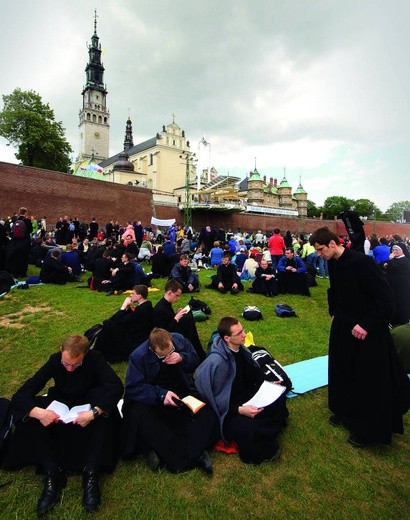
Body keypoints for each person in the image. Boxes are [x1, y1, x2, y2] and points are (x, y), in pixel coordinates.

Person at [310, 227, 410, 448]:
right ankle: (344, 412)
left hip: (368, 329)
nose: (318, 254)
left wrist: (365, 324)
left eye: (320, 250)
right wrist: (334, 312)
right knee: (342, 370)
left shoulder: (362, 263)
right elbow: (334, 290)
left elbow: (386, 300)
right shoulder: (334, 263)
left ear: (333, 244)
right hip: (344, 326)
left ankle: (369, 432)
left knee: (368, 378)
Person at [2, 334, 124, 515]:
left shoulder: (95, 359)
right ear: (61, 352)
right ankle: (53, 473)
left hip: (88, 403)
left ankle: (91, 472)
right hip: (62, 404)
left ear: (85, 354)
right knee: (31, 415)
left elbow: (115, 387)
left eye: (75, 365)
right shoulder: (55, 361)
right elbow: (23, 393)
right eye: (66, 364)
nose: (69, 369)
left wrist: (93, 413)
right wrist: (39, 413)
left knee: (107, 414)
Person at [121, 328, 218, 474]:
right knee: (147, 421)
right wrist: (161, 395)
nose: (168, 356)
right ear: (152, 349)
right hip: (155, 399)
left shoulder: (179, 340)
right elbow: (133, 387)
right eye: (163, 356)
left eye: (171, 351)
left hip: (181, 393)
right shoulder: (138, 356)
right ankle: (191, 454)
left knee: (209, 415)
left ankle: (179, 451)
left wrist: (182, 358)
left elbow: (196, 361)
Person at [195, 317, 288, 464]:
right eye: (239, 333)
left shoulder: (241, 349)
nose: (244, 335)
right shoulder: (217, 362)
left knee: (278, 397)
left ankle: (269, 429)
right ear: (227, 338)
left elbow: (252, 375)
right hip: (230, 408)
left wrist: (268, 384)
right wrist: (239, 410)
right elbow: (215, 398)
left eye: (243, 330)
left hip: (246, 395)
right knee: (249, 426)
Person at [93, 285, 154, 363]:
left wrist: (123, 306)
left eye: (133, 293)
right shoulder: (146, 306)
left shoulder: (142, 309)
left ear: (139, 296)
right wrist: (127, 308)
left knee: (109, 325)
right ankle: (98, 350)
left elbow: (120, 319)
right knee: (109, 324)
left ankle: (98, 352)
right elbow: (130, 318)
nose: (130, 295)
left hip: (135, 339)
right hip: (137, 333)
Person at [152, 279, 206, 360]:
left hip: (171, 330)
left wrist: (176, 314)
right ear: (170, 293)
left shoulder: (166, 304)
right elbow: (163, 332)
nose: (178, 298)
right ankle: (197, 352)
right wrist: (176, 318)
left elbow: (168, 319)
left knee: (188, 316)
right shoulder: (160, 309)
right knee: (187, 319)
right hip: (166, 337)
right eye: (177, 295)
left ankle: (197, 350)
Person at [383, 244, 410, 326]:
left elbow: (395, 267)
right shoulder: (394, 259)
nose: (395, 252)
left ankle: (402, 320)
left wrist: (389, 261)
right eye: (393, 250)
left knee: (401, 301)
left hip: (402, 285)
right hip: (393, 284)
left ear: (402, 251)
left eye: (397, 250)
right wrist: (387, 263)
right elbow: (382, 264)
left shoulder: (405, 260)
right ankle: (394, 319)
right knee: (394, 301)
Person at [5, 207, 32, 278]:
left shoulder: (15, 220)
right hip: (24, 241)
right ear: (25, 213)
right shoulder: (27, 221)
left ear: (19, 212)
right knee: (24, 257)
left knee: (15, 257)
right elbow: (30, 230)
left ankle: (15, 273)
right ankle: (22, 273)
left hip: (15, 241)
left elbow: (11, 230)